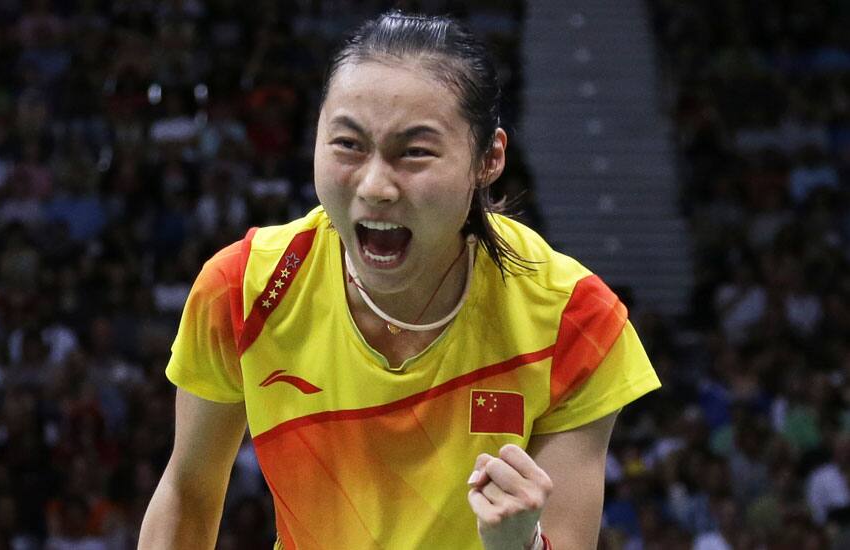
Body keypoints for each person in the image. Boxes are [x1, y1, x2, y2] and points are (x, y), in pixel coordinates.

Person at [139, 11, 660, 550]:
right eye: (348, 144)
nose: (376, 186)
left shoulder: (573, 318)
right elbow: (189, 489)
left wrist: (519, 544)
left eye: (414, 152)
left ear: (489, 159)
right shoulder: (244, 288)